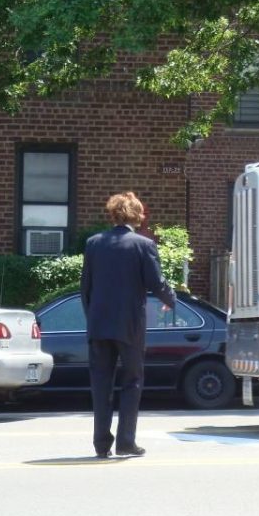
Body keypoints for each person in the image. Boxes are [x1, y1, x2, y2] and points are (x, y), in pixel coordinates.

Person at [80, 191, 176, 459]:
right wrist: (171, 299)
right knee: (132, 381)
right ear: (137, 215)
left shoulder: (93, 243)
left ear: (113, 213)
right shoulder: (142, 245)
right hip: (130, 325)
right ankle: (125, 442)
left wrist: (92, 319)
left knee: (101, 384)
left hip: (99, 325)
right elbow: (156, 282)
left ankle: (101, 444)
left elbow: (85, 288)